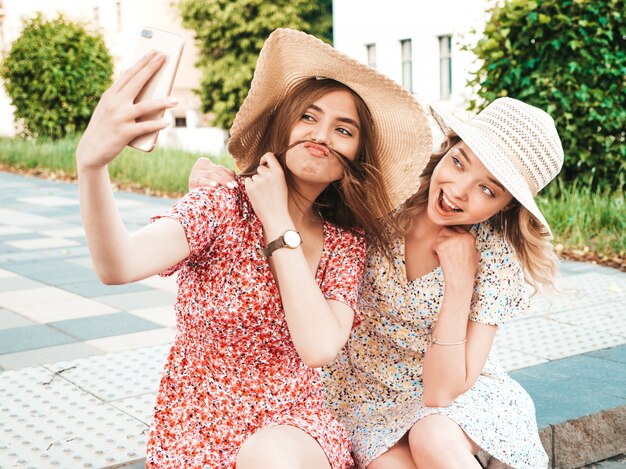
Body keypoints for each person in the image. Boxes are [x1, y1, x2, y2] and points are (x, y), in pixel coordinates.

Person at [76, 28, 431, 469]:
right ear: (282, 126)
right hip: (195, 429)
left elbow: (319, 346)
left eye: (343, 129)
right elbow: (119, 265)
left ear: (355, 157)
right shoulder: (222, 205)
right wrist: (92, 165)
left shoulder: (344, 242)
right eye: (308, 117)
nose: (321, 135)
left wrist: (278, 222)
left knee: (272, 456)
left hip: (293, 428)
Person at [189, 97, 563, 469]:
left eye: (487, 189)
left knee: (431, 435)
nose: (459, 189)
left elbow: (441, 392)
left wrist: (460, 282)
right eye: (458, 162)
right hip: (365, 397)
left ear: (508, 205)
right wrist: (222, 186)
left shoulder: (494, 257)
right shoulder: (379, 207)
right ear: (447, 149)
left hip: (456, 403)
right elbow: (296, 198)